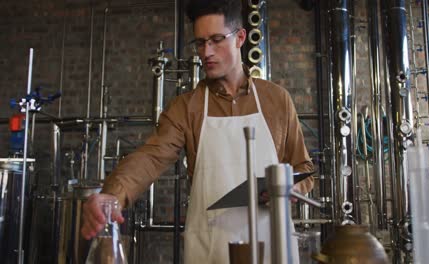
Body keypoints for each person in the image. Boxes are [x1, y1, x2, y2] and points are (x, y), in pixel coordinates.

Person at [81, 0, 314, 262]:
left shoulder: (277, 100)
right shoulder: (186, 107)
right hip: (211, 246)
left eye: (216, 40)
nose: (207, 52)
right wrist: (112, 195)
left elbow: (303, 167)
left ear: (239, 38)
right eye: (201, 43)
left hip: (273, 243)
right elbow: (151, 156)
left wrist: (291, 190)